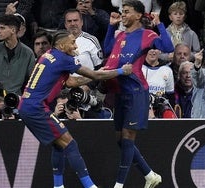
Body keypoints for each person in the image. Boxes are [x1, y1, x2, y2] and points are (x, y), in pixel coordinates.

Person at [18, 30, 132, 188]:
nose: (75, 45)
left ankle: (58, 186)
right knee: (70, 144)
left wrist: (99, 72)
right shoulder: (64, 58)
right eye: (72, 42)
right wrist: (121, 71)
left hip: (27, 105)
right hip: (36, 108)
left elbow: (71, 82)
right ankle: (90, 186)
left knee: (58, 145)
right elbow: (94, 76)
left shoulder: (49, 55)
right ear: (62, 45)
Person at [103, 0, 174, 187]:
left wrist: (159, 24)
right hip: (119, 91)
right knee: (120, 140)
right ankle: (150, 175)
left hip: (135, 92)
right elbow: (107, 50)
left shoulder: (146, 34)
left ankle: (119, 185)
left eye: (126, 12)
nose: (123, 15)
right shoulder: (120, 35)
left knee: (127, 137)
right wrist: (111, 28)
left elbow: (168, 48)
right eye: (122, 11)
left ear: (138, 15)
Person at [0, 14, 35, 96]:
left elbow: (32, 81)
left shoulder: (28, 53)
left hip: (15, 99)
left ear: (13, 30)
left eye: (2, 28)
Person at [142, 49, 175, 119]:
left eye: (155, 48)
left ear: (160, 50)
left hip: (160, 107)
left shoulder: (167, 70)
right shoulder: (137, 68)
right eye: (149, 48)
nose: (152, 51)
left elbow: (170, 95)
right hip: (140, 106)